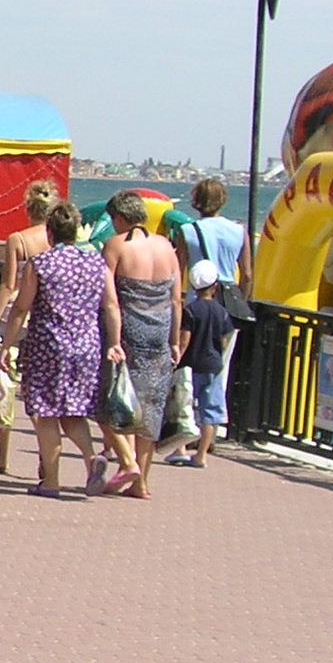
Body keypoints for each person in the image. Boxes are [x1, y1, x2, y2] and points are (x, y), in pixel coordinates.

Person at [0, 200, 118, 499]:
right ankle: (92, 458)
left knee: (45, 414)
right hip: (87, 347)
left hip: (48, 346)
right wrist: (115, 342)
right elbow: (111, 305)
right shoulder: (96, 264)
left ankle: (51, 481)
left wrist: (6, 345)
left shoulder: (41, 264)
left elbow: (21, 308)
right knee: (73, 411)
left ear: (50, 233)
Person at [103, 188, 184, 499]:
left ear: (120, 218)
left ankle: (128, 463)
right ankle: (142, 483)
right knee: (151, 408)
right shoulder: (166, 247)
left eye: (113, 219)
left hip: (129, 332)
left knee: (114, 401)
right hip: (160, 333)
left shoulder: (116, 246)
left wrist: (113, 340)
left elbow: (111, 302)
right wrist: (174, 341)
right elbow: (176, 300)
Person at [0, 181, 58, 475]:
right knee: (39, 392)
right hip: (45, 315)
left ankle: (2, 457)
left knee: (6, 386)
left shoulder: (18, 240)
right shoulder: (57, 240)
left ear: (28, 209)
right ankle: (45, 456)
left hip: (16, 315)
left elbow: (8, 284)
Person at [172, 261, 235, 467]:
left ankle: (180, 449)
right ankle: (201, 455)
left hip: (190, 364)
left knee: (184, 408)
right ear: (215, 287)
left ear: (193, 287)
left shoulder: (191, 310)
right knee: (209, 411)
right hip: (212, 365)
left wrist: (177, 358)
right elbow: (224, 340)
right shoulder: (221, 311)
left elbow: (185, 339)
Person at [183, 175, 251, 295]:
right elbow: (247, 275)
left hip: (197, 298)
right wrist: (240, 301)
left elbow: (177, 272)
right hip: (227, 299)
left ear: (196, 200)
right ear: (222, 200)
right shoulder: (239, 231)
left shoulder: (188, 231)